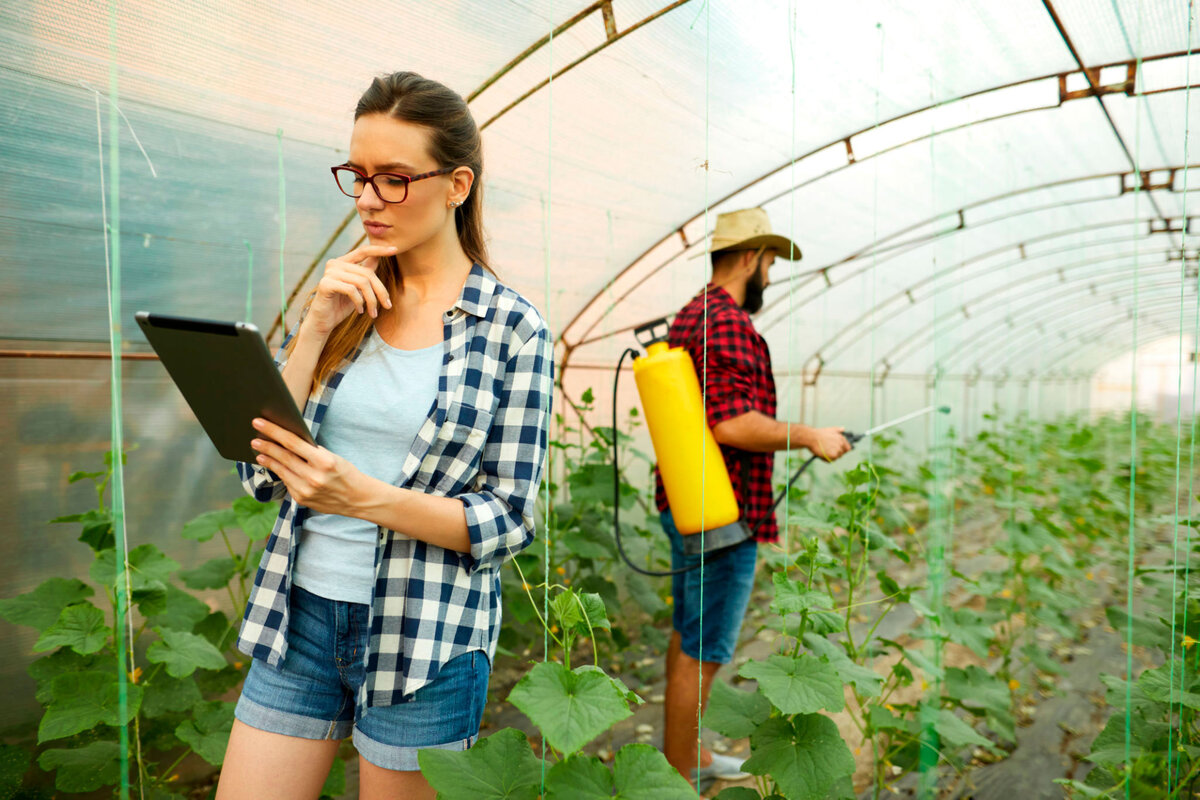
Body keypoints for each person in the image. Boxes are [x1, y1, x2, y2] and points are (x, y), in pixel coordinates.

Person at [216, 72, 553, 800]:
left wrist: (366, 499)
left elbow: (509, 520)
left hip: (427, 635)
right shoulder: (347, 296)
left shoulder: (513, 329)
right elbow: (260, 472)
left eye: (395, 179)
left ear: (458, 184)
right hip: (299, 615)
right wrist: (313, 328)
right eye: (359, 176)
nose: (368, 199)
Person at [655, 207, 852, 790]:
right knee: (704, 648)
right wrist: (809, 435)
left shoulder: (693, 314)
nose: (769, 273)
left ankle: (680, 763)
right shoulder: (730, 323)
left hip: (691, 502)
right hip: (723, 514)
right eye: (769, 262)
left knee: (685, 636)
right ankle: (682, 776)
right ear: (749, 258)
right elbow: (731, 423)